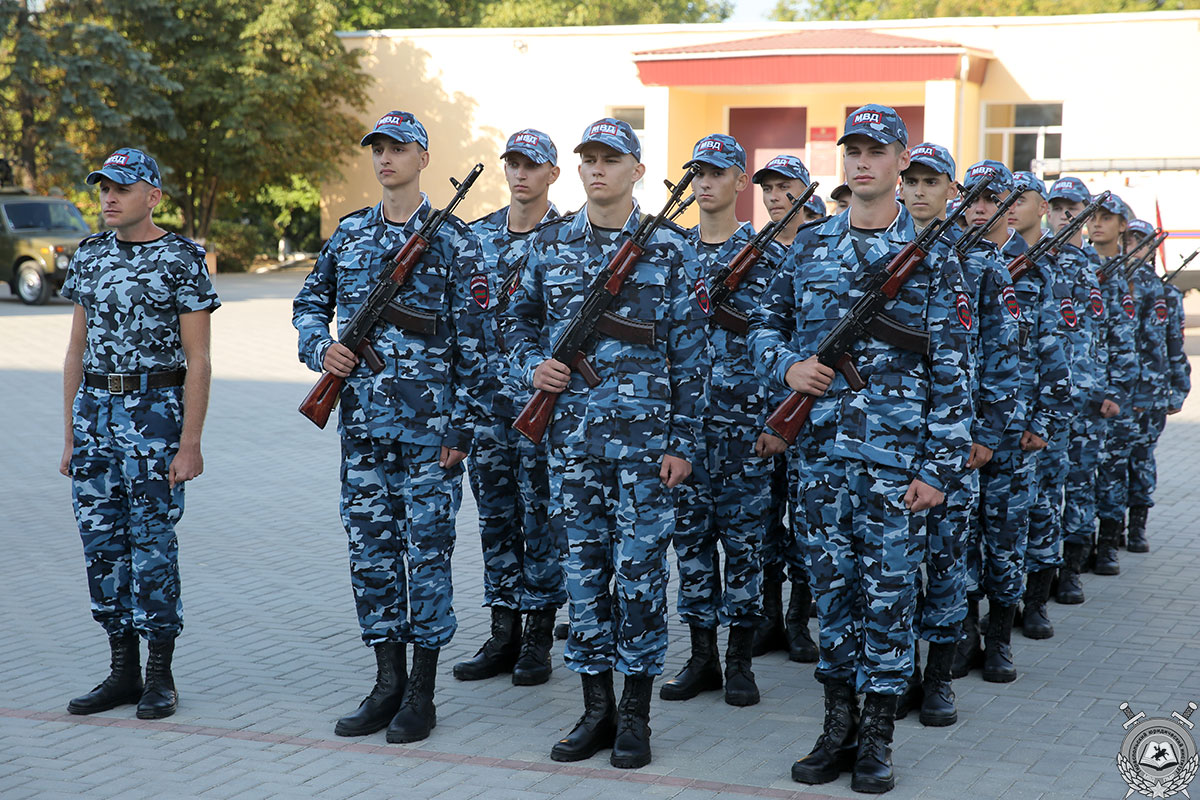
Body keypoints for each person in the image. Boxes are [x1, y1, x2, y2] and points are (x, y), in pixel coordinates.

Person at [751, 105, 971, 794]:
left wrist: (938, 470)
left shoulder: (935, 258)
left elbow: (954, 372)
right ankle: (836, 729)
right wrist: (788, 368)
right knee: (832, 596)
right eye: (854, 151)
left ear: (903, 161)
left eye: (877, 150)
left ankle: (877, 738)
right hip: (820, 463)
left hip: (896, 468)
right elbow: (762, 327)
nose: (863, 162)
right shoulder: (809, 247)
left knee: (889, 602)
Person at [503, 117, 709, 769]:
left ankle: (636, 717)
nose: (597, 169)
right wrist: (532, 366)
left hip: (648, 452)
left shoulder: (671, 249)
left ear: (637, 171)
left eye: (610, 159)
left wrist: (683, 444)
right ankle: (596, 710)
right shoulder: (551, 243)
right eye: (588, 158)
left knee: (641, 579)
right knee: (584, 577)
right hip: (571, 444)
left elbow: (694, 357)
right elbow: (512, 322)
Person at [292, 110, 484, 744]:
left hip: (431, 436)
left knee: (427, 558)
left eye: (398, 148)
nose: (385, 159)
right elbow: (309, 303)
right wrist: (320, 347)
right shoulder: (350, 234)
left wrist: (461, 431)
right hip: (364, 432)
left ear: (423, 158)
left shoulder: (454, 241)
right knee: (372, 556)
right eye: (377, 148)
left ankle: (421, 694)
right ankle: (385, 685)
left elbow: (477, 346)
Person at [61, 147, 219, 721]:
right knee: (101, 545)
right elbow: (75, 351)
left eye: (121, 188)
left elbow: (199, 361)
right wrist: (70, 435)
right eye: (104, 187)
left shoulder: (181, 258)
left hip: (154, 418)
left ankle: (159, 676)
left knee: (152, 546)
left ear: (152, 196)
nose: (109, 197)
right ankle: (121, 670)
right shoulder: (89, 255)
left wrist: (190, 443)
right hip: (95, 417)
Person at [661, 133, 771, 708]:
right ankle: (702, 656)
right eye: (697, 173)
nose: (705, 183)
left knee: (746, 546)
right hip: (686, 431)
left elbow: (787, 341)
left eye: (717, 173)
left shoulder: (768, 254)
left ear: (739, 181)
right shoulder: (671, 253)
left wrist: (774, 422)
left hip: (744, 429)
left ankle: (740, 660)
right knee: (692, 546)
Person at [454, 129, 563, 687]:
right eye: (513, 163)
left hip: (542, 409)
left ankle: (538, 637)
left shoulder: (568, 240)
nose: (520, 173)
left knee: (540, 518)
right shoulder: (476, 238)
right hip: (486, 408)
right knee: (496, 519)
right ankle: (503, 632)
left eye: (532, 165)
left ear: (552, 174)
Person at [748, 154, 820, 662]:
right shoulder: (751, 252)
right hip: (756, 410)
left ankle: (798, 620)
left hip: (810, 414)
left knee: (808, 524)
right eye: (768, 189)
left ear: (806, 191)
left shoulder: (824, 248)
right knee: (764, 521)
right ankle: (768, 617)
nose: (775, 197)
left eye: (784, 187)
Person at [1035, 177, 1107, 607]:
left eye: (1072, 207)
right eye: (1057, 206)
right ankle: (1040, 578)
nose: (1063, 213)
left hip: (1084, 398)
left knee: (1078, 485)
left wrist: (1101, 390)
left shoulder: (1091, 266)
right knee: (1043, 492)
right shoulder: (1036, 258)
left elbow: (1100, 335)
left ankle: (1071, 571)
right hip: (1048, 398)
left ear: (1085, 213)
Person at [1122, 220, 1183, 551]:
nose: (1134, 248)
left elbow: (1174, 345)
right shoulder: (1114, 286)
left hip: (1151, 393)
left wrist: (1179, 388)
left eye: (1140, 242)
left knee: (1141, 459)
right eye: (1129, 241)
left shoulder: (1166, 293)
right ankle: (1111, 527)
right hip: (1119, 392)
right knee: (1113, 462)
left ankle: (1137, 526)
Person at [1088, 195, 1141, 574]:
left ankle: (1108, 543)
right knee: (1079, 476)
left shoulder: (1125, 274)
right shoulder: (1078, 266)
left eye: (1107, 218)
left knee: (1111, 468)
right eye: (1093, 217)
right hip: (1081, 389)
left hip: (1113, 390)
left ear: (1122, 225)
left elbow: (1127, 340)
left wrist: (1119, 390)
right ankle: (1077, 550)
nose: (1097, 224)